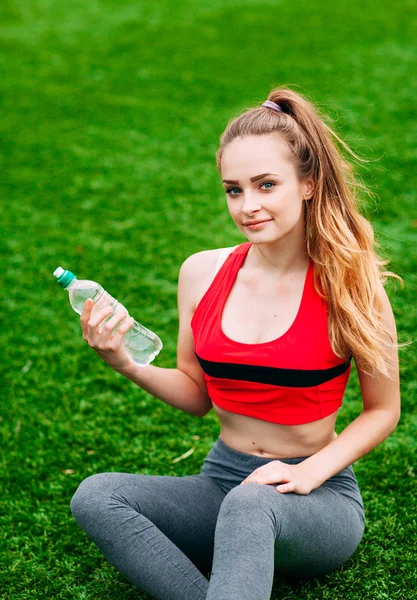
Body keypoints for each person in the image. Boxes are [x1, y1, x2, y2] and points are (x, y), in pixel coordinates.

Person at [70, 87, 404, 600]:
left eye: (267, 185)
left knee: (252, 505)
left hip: (316, 498)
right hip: (221, 483)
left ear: (309, 184)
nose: (248, 206)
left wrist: (310, 472)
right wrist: (124, 362)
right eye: (234, 190)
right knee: (97, 496)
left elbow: (383, 412)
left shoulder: (350, 283)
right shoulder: (201, 273)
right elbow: (196, 395)